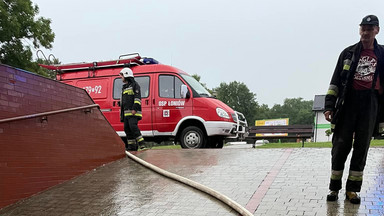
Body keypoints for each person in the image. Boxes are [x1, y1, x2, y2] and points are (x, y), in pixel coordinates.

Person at [324, 15, 384, 204]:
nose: (366, 32)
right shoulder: (348, 53)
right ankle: (334, 189)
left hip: (370, 104)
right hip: (347, 103)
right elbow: (335, 82)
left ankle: (352, 191)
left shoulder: (382, 54)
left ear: (377, 30)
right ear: (359, 30)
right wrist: (329, 106)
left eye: (370, 28)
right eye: (363, 28)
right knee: (340, 147)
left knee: (361, 149)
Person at [120, 67, 145, 151]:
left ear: (126, 75)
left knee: (133, 126)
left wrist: (134, 109)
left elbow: (137, 98)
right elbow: (125, 99)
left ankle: (142, 143)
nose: (121, 77)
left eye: (122, 76)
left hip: (134, 112)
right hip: (126, 113)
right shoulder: (124, 87)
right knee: (127, 129)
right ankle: (132, 147)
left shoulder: (135, 85)